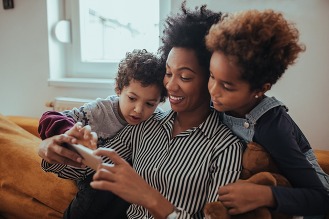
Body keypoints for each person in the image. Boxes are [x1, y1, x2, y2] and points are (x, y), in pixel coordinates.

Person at [38, 2, 244, 219]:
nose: (171, 86)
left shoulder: (226, 147)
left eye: (185, 77)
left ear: (211, 79)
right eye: (168, 73)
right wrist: (53, 150)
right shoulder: (145, 125)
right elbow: (92, 168)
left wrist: (149, 198)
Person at [205, 9, 329, 218]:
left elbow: (322, 200)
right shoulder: (216, 104)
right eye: (211, 76)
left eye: (227, 86)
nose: (213, 90)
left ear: (260, 89)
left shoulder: (273, 127)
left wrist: (265, 195)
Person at [38, 49, 167, 218]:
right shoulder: (98, 111)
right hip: (89, 175)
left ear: (159, 101)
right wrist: (68, 131)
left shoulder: (155, 121)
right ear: (119, 89)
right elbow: (50, 117)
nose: (138, 110)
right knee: (97, 190)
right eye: (132, 98)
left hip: (124, 181)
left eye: (150, 103)